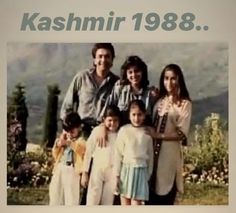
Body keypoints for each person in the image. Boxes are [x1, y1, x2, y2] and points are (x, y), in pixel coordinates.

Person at [147, 64, 192, 205]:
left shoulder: (185, 104)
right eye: (166, 78)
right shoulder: (160, 100)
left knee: (165, 193)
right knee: (150, 194)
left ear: (179, 80)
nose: (169, 82)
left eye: (173, 78)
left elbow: (181, 134)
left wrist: (159, 136)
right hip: (153, 153)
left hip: (169, 154)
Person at [60, 43, 119, 138]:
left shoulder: (117, 84)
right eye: (100, 56)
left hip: (104, 133)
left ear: (112, 60)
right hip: (80, 132)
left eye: (107, 56)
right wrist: (67, 129)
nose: (103, 60)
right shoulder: (82, 78)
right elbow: (67, 106)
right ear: (94, 60)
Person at [114, 100, 153, 205]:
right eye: (134, 115)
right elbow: (118, 154)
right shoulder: (124, 130)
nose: (136, 118)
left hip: (141, 172)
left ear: (144, 115)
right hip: (126, 171)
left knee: (136, 205)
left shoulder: (147, 133)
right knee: (125, 205)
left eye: (139, 115)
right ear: (129, 115)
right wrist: (116, 175)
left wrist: (148, 175)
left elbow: (150, 156)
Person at [81, 105, 121, 205]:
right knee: (92, 200)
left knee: (107, 203)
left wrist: (118, 176)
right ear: (104, 120)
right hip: (97, 170)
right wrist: (85, 173)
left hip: (112, 172)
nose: (112, 123)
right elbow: (88, 152)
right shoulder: (97, 132)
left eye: (115, 120)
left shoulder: (121, 134)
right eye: (110, 120)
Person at [105, 55, 157, 124]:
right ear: (126, 74)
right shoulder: (119, 90)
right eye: (130, 72)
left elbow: (154, 119)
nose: (134, 75)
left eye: (137, 71)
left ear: (142, 72)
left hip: (143, 131)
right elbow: (108, 112)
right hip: (122, 131)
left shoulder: (150, 94)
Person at [49, 112, 86, 205]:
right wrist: (58, 144)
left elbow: (81, 150)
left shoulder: (81, 140)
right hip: (60, 167)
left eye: (72, 131)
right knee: (55, 192)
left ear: (79, 128)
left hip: (72, 170)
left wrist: (69, 143)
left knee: (71, 196)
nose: (69, 134)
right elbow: (55, 154)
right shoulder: (63, 139)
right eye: (67, 131)